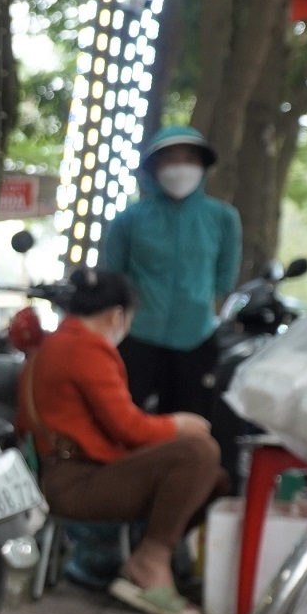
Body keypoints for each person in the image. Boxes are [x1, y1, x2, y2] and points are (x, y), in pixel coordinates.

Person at [18, 267, 226, 614]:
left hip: (69, 473)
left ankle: (145, 559)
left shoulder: (59, 342)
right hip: (74, 482)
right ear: (117, 315)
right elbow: (129, 428)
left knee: (214, 478)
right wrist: (181, 425)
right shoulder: (85, 348)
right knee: (199, 452)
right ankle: (150, 561)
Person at [99, 124, 242, 417]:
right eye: (170, 159)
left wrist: (196, 305)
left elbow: (225, 277)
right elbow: (112, 276)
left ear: (203, 166)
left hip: (196, 339)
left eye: (189, 158)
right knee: (121, 421)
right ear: (153, 167)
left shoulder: (223, 218)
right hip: (137, 338)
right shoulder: (129, 220)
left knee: (189, 430)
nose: (180, 167)